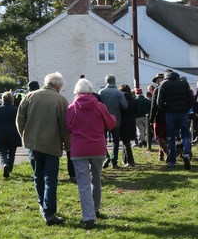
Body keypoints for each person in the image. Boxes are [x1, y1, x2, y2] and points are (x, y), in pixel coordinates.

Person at [16, 72, 71, 226]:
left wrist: (25, 137)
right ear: (58, 85)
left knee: (37, 176)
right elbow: (64, 126)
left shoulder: (30, 96)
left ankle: (42, 204)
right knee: (50, 179)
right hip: (52, 145)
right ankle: (49, 212)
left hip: (33, 144)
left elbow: (20, 119)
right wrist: (68, 145)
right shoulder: (61, 100)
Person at [65, 78, 116, 230]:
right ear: (91, 90)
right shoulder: (99, 106)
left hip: (79, 148)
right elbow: (111, 124)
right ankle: (96, 209)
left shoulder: (72, 108)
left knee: (83, 184)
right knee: (97, 179)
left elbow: (68, 127)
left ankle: (88, 217)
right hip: (97, 148)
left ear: (77, 91)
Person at [156, 69, 195, 170]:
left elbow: (159, 101)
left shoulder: (163, 84)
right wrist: (187, 108)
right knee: (185, 134)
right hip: (183, 112)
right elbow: (191, 98)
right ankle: (186, 153)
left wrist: (165, 109)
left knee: (171, 136)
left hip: (170, 113)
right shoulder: (184, 83)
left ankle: (172, 160)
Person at [98, 75, 128, 169]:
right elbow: (125, 106)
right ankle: (114, 162)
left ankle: (106, 157)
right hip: (116, 120)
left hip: (103, 120)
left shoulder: (101, 92)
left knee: (102, 140)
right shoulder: (119, 93)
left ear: (106, 81)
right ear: (115, 81)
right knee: (115, 142)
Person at [0, 90, 21, 178]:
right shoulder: (16, 109)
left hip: (0, 134)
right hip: (13, 134)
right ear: (12, 99)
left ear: (2, 99)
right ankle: (10, 169)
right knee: (12, 153)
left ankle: (4, 164)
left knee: (2, 152)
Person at [119, 83, 138, 167]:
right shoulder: (133, 99)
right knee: (126, 142)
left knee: (126, 142)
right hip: (131, 122)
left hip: (123, 122)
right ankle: (125, 159)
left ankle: (130, 161)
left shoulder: (121, 98)